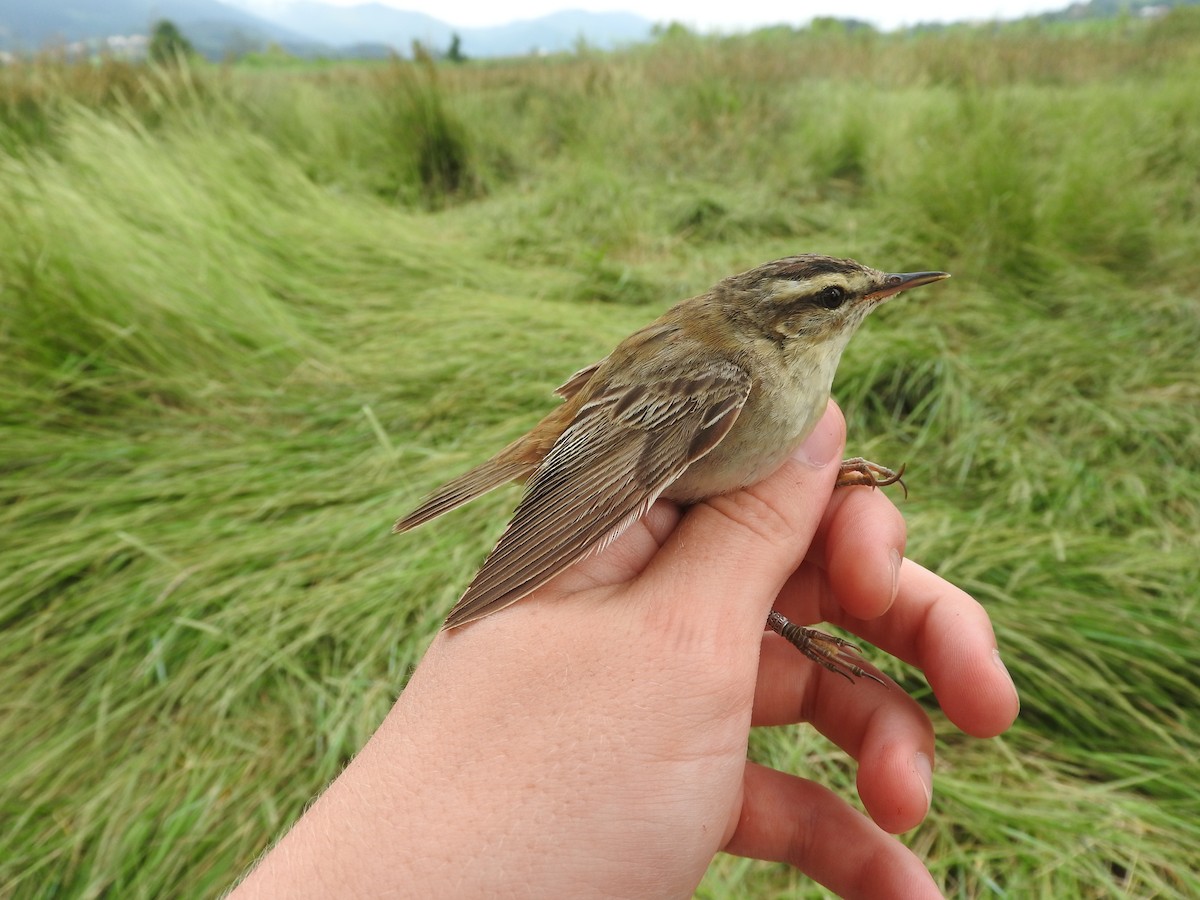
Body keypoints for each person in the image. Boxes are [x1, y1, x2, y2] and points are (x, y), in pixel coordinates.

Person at [232, 401, 1019, 899]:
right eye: (834, 300)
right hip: (608, 447)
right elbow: (621, 462)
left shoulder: (771, 385)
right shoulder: (733, 378)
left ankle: (786, 623)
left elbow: (700, 493)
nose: (867, 304)